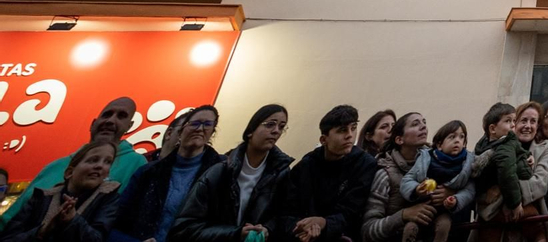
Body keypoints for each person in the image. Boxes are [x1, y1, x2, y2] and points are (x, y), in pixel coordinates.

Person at [3, 100, 146, 228]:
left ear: (129, 126)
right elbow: (12, 216)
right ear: (92, 124)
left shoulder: (138, 164)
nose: (110, 120)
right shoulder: (54, 166)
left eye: (121, 116)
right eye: (107, 114)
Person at [169, 105, 291, 242]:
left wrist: (267, 229)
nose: (276, 131)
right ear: (251, 131)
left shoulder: (282, 174)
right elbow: (185, 227)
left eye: (281, 127)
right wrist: (235, 234)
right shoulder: (220, 171)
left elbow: (283, 218)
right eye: (270, 125)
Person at [109, 107, 221, 242]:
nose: (200, 129)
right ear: (180, 131)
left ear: (212, 132)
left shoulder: (221, 172)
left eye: (208, 124)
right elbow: (117, 220)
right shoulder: (148, 172)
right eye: (195, 123)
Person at [270, 106, 379, 242]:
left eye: (353, 127)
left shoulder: (365, 164)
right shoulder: (306, 165)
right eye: (342, 130)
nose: (350, 135)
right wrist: (303, 227)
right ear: (323, 140)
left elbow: (352, 211)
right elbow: (287, 210)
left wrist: (324, 223)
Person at [0, 141, 122, 242]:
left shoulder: (109, 199)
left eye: (108, 162)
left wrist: (73, 220)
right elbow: (8, 238)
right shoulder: (41, 197)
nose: (100, 166)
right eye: (93, 160)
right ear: (69, 173)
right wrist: (41, 232)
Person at [360, 112, 438, 242]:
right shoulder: (384, 174)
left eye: (424, 122)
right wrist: (403, 215)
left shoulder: (437, 162)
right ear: (399, 139)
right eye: (415, 124)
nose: (423, 126)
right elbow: (368, 230)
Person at [399, 122, 473, 242]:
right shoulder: (425, 159)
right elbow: (407, 180)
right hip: (423, 207)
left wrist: (456, 199)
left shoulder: (467, 165)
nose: (457, 141)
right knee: (410, 228)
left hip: (447, 212)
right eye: (452, 137)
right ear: (439, 145)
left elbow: (469, 190)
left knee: (443, 226)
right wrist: (417, 189)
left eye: (461, 137)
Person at [469, 104, 532, 240]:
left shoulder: (484, 145)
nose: (513, 125)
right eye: (508, 121)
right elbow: (507, 173)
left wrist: (527, 155)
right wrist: (515, 203)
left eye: (514, 121)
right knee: (535, 220)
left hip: (486, 202)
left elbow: (519, 151)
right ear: (492, 128)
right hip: (499, 204)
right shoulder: (505, 146)